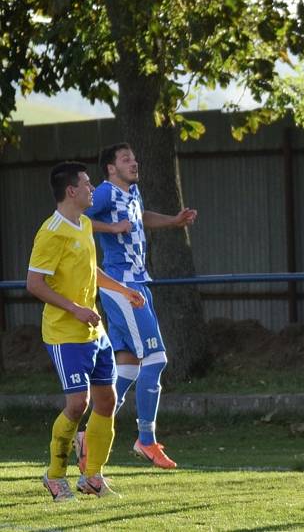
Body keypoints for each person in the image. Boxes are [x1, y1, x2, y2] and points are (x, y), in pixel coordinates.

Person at [73, 142, 197, 471]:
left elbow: (142, 217)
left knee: (127, 368)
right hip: (121, 285)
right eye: (126, 159)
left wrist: (173, 221)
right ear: (110, 168)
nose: (134, 162)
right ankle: (145, 439)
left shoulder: (132, 193)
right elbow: (76, 219)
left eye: (134, 157)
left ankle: (88, 435)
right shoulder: (102, 193)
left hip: (139, 284)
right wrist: (111, 228)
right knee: (156, 360)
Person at [28, 161, 145, 501]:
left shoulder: (83, 224)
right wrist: (75, 309)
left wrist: (122, 290)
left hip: (94, 330)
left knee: (106, 401)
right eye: (88, 183)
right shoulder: (51, 232)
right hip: (65, 334)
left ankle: (92, 476)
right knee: (78, 404)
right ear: (71, 191)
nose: (93, 188)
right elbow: (34, 283)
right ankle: (54, 476)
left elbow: (90, 269)